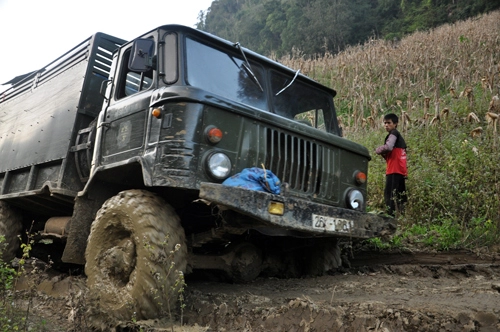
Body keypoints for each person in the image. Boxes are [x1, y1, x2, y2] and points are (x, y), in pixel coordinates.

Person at [375, 113, 407, 216]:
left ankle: (390, 218)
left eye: (389, 123)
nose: (386, 125)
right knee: (400, 196)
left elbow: (388, 147)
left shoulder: (393, 134)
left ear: (395, 124)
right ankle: (402, 219)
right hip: (401, 171)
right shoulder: (400, 138)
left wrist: (378, 150)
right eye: (384, 123)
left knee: (389, 195)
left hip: (394, 170)